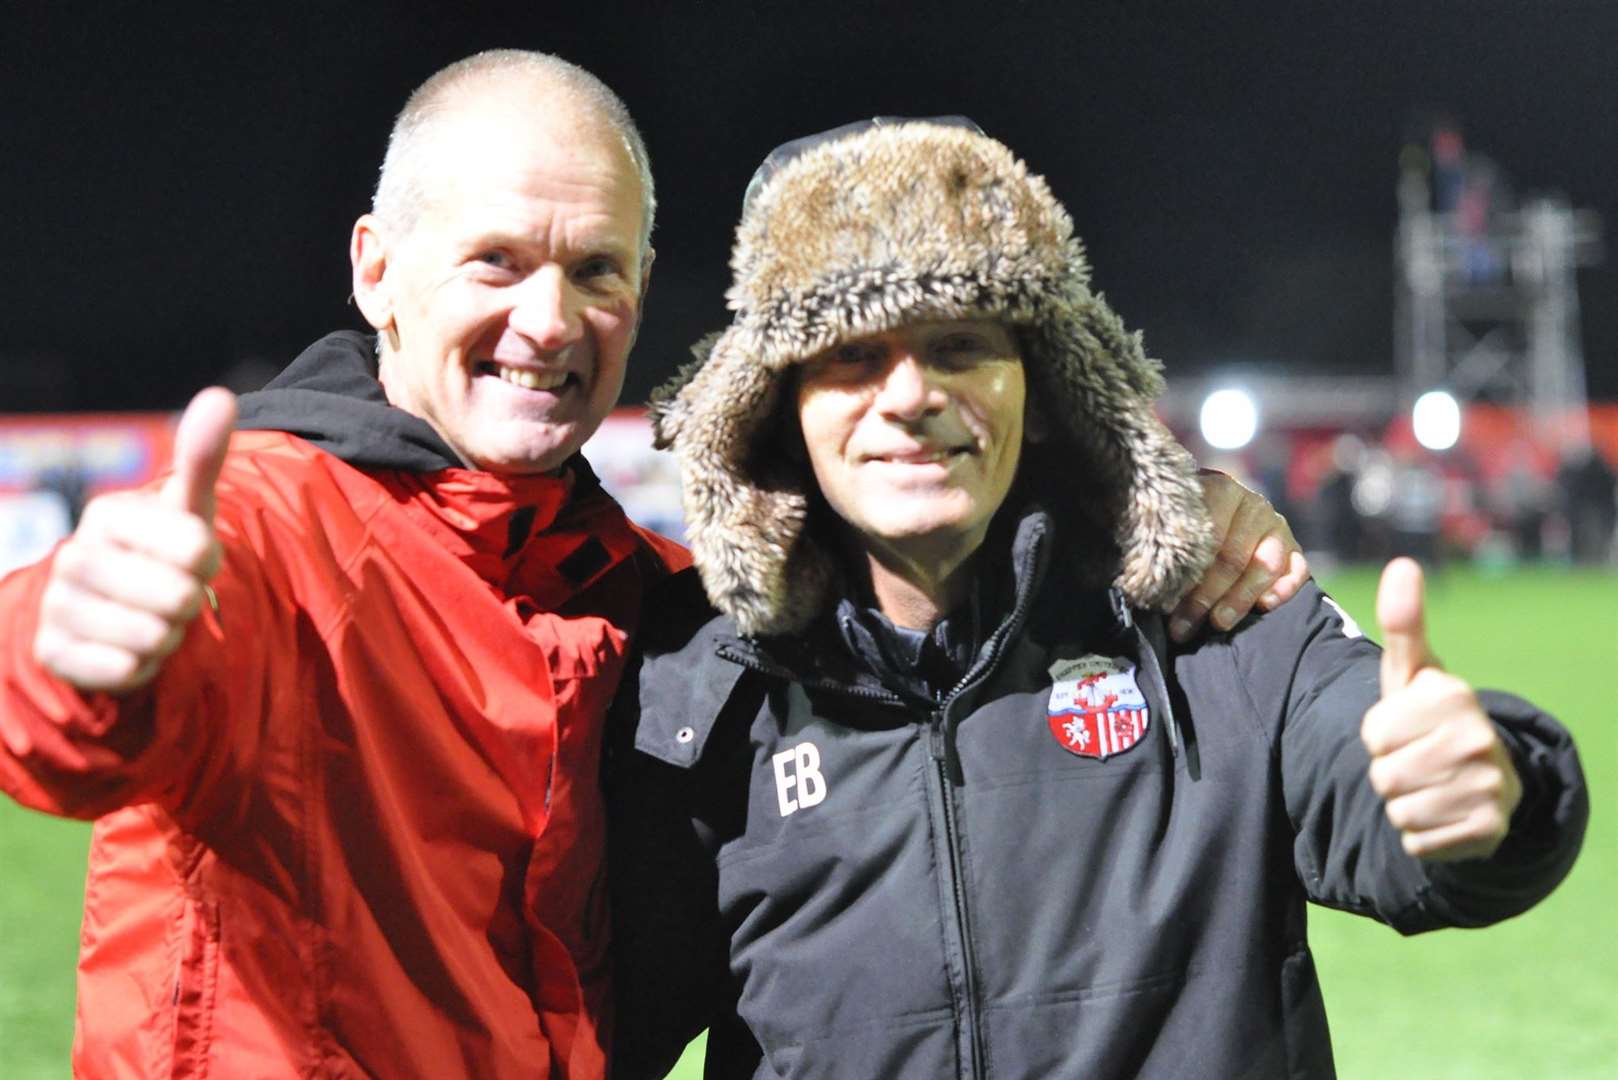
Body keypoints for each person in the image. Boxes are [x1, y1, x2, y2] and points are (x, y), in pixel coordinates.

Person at [0, 60, 1301, 1078]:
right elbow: (67, 716)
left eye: (595, 271)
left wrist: (1170, 508)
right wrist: (75, 640)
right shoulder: (273, 527)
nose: (550, 319)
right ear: (376, 269)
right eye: (497, 260)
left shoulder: (652, 598)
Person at [607, 118, 1588, 1079]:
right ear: (781, 405)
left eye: (957, 345)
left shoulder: (1208, 613)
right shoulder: (696, 697)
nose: (908, 395)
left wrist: (1488, 789)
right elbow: (594, 1024)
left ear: (1039, 388)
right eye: (852, 355)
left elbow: (1373, 779)